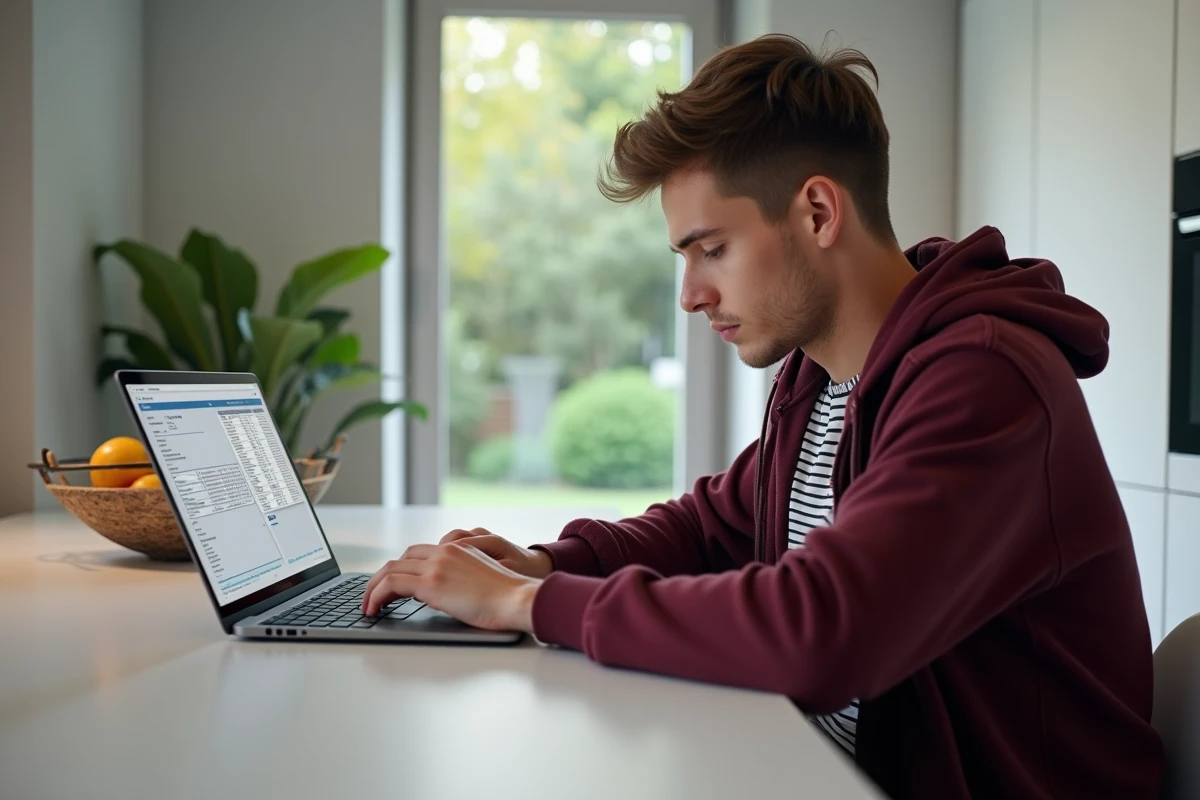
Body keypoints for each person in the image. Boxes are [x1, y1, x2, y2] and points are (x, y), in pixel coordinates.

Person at [361, 34, 1164, 798]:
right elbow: (713, 527)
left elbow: (823, 633)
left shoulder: (987, 383)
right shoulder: (822, 376)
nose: (691, 295)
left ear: (817, 213)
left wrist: (525, 606)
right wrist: (546, 564)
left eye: (711, 249)